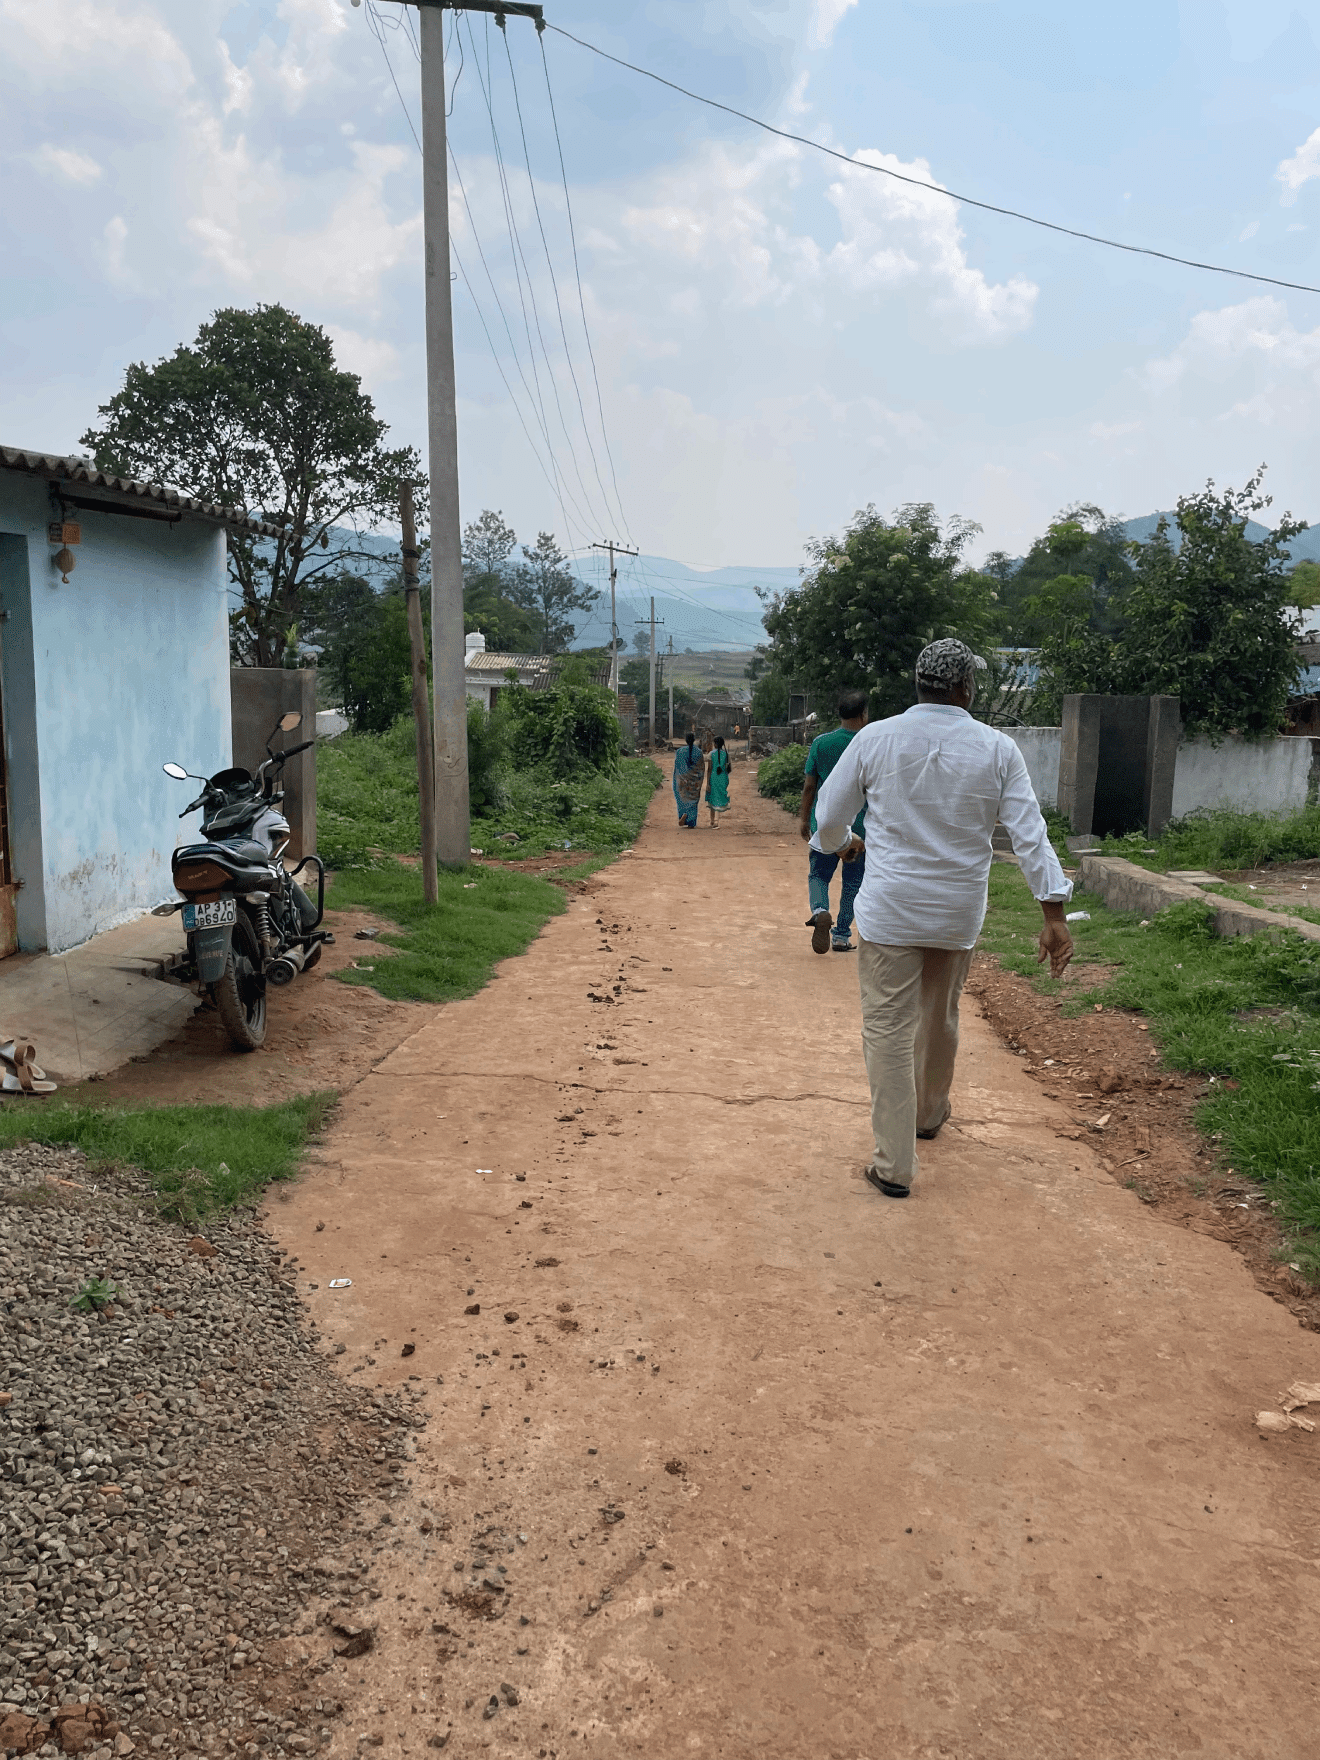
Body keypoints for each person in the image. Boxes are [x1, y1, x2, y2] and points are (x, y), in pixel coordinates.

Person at [814, 638, 1074, 1200]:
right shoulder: (998, 748)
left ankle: (893, 1165)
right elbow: (1029, 833)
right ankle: (929, 1115)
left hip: (890, 912)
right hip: (957, 915)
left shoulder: (874, 739)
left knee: (887, 1029)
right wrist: (1052, 912)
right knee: (939, 1017)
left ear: (919, 685)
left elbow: (829, 815)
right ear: (965, 688)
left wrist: (844, 845)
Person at [799, 690, 870, 953]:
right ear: (863, 714)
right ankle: (841, 935)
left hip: (826, 825)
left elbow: (809, 787)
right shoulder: (870, 744)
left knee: (818, 875)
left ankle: (820, 911)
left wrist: (804, 820)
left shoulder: (821, 743)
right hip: (860, 828)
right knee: (853, 881)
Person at [673, 732, 704, 828]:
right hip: (694, 782)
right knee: (693, 800)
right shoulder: (699, 752)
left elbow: (677, 768)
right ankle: (691, 821)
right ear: (694, 740)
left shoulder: (680, 751)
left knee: (681, 798)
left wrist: (677, 780)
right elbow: (701, 768)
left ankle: (683, 814)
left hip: (682, 781)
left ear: (685, 740)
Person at [706, 736, 731, 827]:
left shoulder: (711, 754)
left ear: (715, 744)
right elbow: (728, 768)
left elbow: (709, 769)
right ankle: (717, 820)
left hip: (713, 778)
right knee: (720, 797)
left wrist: (708, 783)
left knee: (712, 799)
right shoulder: (726, 754)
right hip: (723, 778)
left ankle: (712, 821)